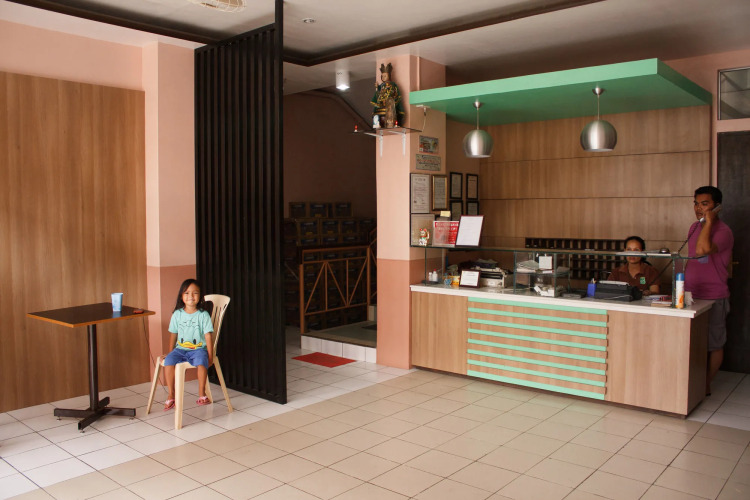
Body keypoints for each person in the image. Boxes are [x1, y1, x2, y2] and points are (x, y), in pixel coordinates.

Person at [684, 186, 733, 396]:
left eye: (704, 204)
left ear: (717, 206)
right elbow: (693, 258)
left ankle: (706, 383)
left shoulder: (723, 231)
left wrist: (710, 222)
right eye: (696, 203)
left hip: (714, 296)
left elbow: (703, 250)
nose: (698, 208)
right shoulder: (694, 227)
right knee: (691, 341)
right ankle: (691, 381)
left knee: (714, 343)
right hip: (690, 293)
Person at [162, 279, 214, 410]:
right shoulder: (177, 314)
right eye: (187, 293)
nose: (191, 296)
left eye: (195, 293)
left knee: (202, 362)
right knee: (168, 361)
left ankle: (202, 394)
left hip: (198, 349)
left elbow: (208, 336)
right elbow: (173, 335)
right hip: (180, 349)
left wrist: (210, 355)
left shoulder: (203, 315)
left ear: (200, 296)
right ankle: (171, 394)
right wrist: (170, 352)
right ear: (181, 296)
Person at [371, 63, 404, 128]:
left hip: (389, 104)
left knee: (390, 111)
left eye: (385, 76)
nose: (383, 77)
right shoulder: (382, 85)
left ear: (389, 76)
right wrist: (377, 88)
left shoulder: (392, 84)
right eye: (382, 76)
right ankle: (377, 123)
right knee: (378, 111)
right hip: (382, 104)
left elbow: (394, 93)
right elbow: (379, 93)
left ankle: (391, 122)